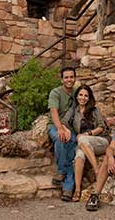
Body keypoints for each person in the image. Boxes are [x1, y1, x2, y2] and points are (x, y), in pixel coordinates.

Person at [61, 84, 109, 202]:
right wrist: (66, 129)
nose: (83, 98)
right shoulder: (74, 110)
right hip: (84, 145)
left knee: (81, 139)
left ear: (89, 98)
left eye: (86, 96)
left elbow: (101, 127)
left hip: (99, 141)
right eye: (80, 95)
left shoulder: (94, 109)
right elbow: (63, 122)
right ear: (77, 96)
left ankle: (97, 170)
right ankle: (77, 190)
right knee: (79, 156)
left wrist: (88, 134)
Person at [48, 66, 77, 201]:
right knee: (61, 139)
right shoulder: (56, 92)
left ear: (75, 78)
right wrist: (59, 128)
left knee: (71, 146)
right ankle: (66, 182)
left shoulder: (77, 92)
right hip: (55, 125)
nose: (69, 79)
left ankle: (66, 185)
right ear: (62, 80)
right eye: (66, 77)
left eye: (71, 77)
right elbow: (53, 111)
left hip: (71, 128)